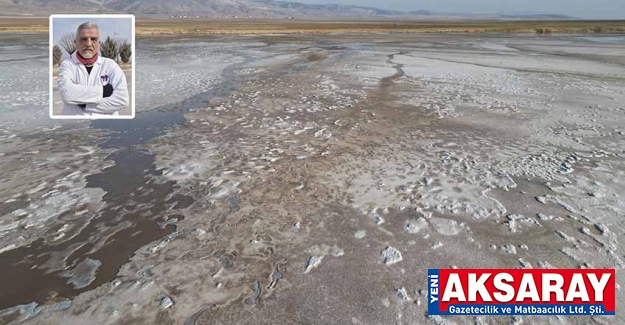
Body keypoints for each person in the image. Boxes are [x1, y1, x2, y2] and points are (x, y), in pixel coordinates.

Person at [58, 22, 129, 116]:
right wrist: (104, 91)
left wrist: (86, 105)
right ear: (76, 42)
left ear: (99, 43)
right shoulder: (67, 65)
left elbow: (122, 100)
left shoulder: (111, 66)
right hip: (75, 127)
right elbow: (67, 94)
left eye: (93, 39)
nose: (88, 44)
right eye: (83, 39)